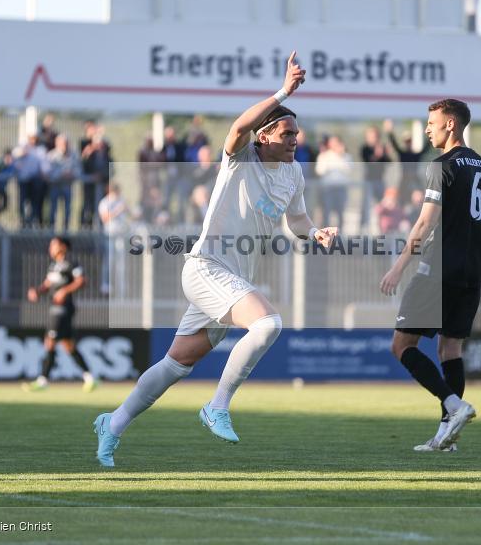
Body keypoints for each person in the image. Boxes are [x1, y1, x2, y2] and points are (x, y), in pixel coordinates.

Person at [94, 50, 337, 467]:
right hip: (206, 269)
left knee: (175, 365)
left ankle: (111, 425)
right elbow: (240, 125)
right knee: (267, 324)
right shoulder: (239, 157)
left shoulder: (294, 173)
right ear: (264, 137)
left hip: (231, 279)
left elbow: (296, 220)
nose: (296, 140)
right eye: (287, 134)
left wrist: (315, 232)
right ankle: (217, 406)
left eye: (297, 133)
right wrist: (282, 90)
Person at [380, 98, 481, 453]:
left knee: (401, 345)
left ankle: (453, 405)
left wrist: (398, 266)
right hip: (472, 272)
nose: (427, 129)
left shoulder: (441, 166)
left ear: (450, 124)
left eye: (431, 122)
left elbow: (425, 221)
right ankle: (444, 438)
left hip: (437, 269)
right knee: (450, 348)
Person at [24, 236, 97, 392]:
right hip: (54, 308)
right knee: (68, 345)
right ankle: (90, 377)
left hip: (63, 308)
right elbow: (47, 284)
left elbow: (81, 280)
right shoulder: (53, 266)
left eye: (54, 245)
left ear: (63, 246)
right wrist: (37, 291)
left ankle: (43, 380)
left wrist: (64, 290)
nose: (51, 248)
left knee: (49, 341)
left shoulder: (71, 263)